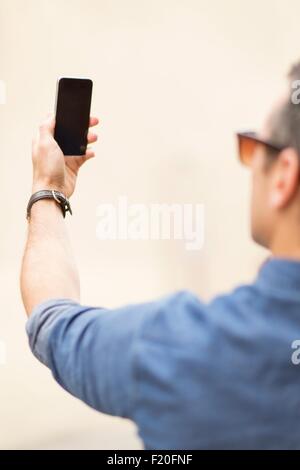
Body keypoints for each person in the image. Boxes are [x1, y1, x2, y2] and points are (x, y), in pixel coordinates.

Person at [21, 62, 300, 450]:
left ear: (285, 175)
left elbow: (51, 320)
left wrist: (47, 189)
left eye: (253, 147)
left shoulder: (183, 347)